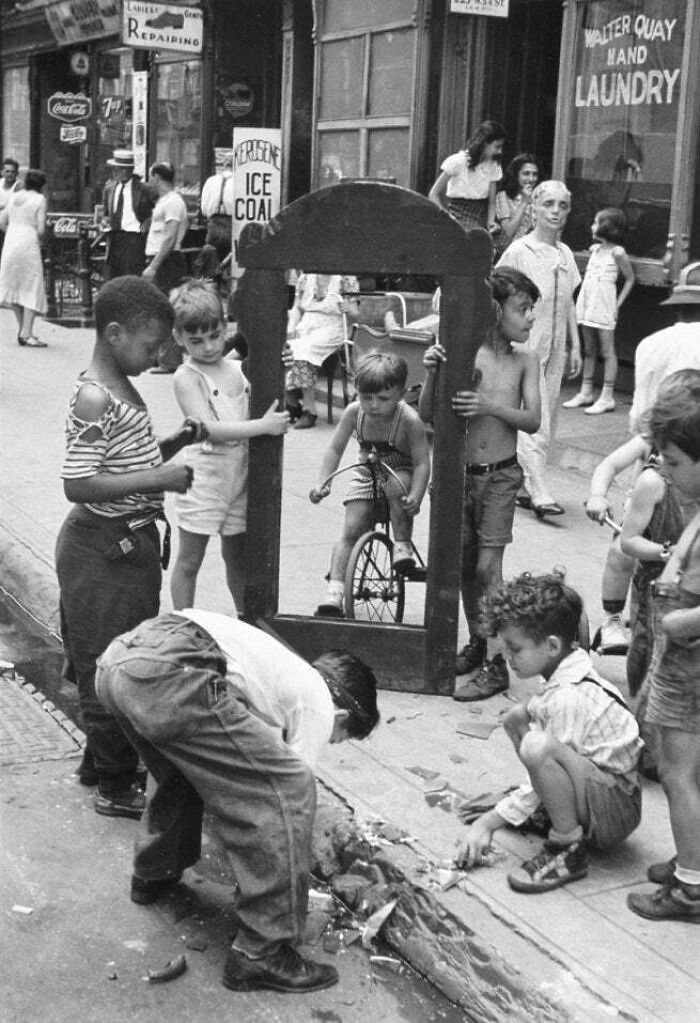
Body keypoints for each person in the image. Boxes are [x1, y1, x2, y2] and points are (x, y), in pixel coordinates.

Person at [94, 608, 380, 992]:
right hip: (172, 672)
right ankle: (261, 954)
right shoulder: (319, 703)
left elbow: (239, 763)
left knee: (183, 767)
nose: (331, 740)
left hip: (121, 662)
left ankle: (154, 873)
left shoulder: (272, 668)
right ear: (342, 713)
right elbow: (288, 790)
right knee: (291, 786)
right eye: (339, 736)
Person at [55, 276, 204, 820]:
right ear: (114, 334)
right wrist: (163, 478)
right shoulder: (96, 396)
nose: (157, 356)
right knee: (108, 664)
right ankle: (116, 784)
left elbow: (123, 464)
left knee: (111, 654)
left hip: (124, 546)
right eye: (150, 346)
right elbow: (79, 483)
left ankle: (101, 762)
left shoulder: (118, 388)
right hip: (102, 549)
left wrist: (174, 445)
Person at [456, 573, 642, 893]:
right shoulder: (564, 672)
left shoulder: (568, 696)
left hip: (615, 812)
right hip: (596, 789)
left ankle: (566, 847)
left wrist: (489, 822)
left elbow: (544, 756)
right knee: (516, 717)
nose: (506, 657)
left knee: (536, 746)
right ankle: (551, 812)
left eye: (515, 649)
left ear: (552, 646)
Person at [419, 268, 541, 700]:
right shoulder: (463, 354)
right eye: (522, 309)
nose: (529, 319)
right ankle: (478, 639)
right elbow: (428, 414)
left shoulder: (525, 361)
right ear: (494, 311)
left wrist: (490, 406)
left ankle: (497, 663)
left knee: (489, 568)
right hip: (459, 476)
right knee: (465, 567)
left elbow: (533, 419)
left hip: (501, 476)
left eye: (531, 310)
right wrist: (432, 371)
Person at [585, 262, 700, 655]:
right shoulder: (661, 453)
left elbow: (637, 418)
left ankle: (614, 621)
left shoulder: (650, 343)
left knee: (623, 550)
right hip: (665, 459)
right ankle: (618, 620)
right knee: (627, 545)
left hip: (660, 454)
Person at [627, 370, 700, 923]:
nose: (667, 474)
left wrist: (678, 624)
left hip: (690, 659)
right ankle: (692, 861)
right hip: (678, 656)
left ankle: (692, 889)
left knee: (677, 774)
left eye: (674, 463)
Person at [169, 280, 290, 613]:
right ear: (179, 337)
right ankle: (182, 620)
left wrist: (282, 360)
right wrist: (262, 427)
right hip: (204, 479)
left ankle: (245, 618)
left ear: (226, 328)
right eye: (196, 340)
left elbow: (267, 380)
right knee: (190, 559)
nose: (208, 347)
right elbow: (206, 429)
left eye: (215, 336)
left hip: (239, 478)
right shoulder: (186, 376)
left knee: (237, 557)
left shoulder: (237, 369)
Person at [310, 350, 431, 617]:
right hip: (368, 471)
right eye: (366, 397)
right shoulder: (355, 413)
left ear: (399, 394)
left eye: (382, 398)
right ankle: (335, 592)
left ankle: (402, 546)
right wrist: (323, 483)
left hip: (400, 469)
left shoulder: (409, 420)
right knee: (352, 527)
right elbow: (334, 448)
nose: (373, 405)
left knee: (398, 487)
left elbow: (422, 462)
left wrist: (417, 496)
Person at [497, 180, 582, 517]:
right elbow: (500, 292)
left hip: (556, 346)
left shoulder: (565, 254)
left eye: (562, 205)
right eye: (549, 204)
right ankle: (539, 489)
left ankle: (521, 482)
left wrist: (575, 345)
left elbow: (569, 302)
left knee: (549, 412)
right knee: (536, 412)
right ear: (533, 208)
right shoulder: (521, 251)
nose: (556, 212)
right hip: (529, 343)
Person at [619, 445, 692, 779]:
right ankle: (647, 749)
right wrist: (669, 553)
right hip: (656, 584)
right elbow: (629, 541)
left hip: (690, 589)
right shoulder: (654, 481)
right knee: (648, 658)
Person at [564, 207, 635, 415]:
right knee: (589, 349)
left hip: (604, 305)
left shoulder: (618, 253)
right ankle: (586, 391)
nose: (592, 226)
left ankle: (607, 397)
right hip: (589, 302)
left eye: (596, 222)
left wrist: (617, 304)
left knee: (607, 350)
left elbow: (630, 279)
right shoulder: (595, 250)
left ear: (607, 227)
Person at [284, 272, 359, 429]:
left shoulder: (346, 279)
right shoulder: (306, 277)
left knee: (304, 350)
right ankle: (291, 402)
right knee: (284, 348)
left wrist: (348, 309)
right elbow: (297, 307)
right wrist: (290, 327)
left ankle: (309, 409)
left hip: (334, 327)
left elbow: (355, 314)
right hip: (307, 325)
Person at [143, 161, 189, 373]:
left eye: (151, 178)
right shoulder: (166, 201)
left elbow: (170, 237)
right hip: (161, 259)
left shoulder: (173, 202)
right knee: (157, 308)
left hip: (167, 261)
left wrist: (154, 265)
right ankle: (160, 355)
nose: (149, 183)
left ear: (157, 178)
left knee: (165, 309)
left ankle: (169, 360)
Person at [428, 120, 505, 233]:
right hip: (459, 214)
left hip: (481, 214)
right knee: (474, 239)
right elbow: (433, 194)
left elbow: (492, 201)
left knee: (503, 239)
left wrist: (491, 222)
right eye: (497, 146)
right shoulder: (459, 161)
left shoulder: (494, 165)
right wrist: (446, 218)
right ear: (484, 143)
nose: (500, 151)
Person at [0, 167, 47, 347]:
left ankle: (23, 331)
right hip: (28, 243)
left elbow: (2, 222)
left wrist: (14, 229)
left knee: (14, 287)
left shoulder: (13, 197)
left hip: (11, 241)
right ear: (41, 185)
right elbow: (41, 229)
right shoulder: (39, 199)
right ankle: (27, 333)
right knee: (32, 286)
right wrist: (34, 232)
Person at [102, 149, 153, 280]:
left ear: (132, 170)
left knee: (132, 276)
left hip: (134, 238)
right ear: (114, 169)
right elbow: (106, 213)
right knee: (114, 277)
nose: (124, 172)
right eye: (120, 169)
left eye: (127, 169)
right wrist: (104, 221)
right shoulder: (109, 188)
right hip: (115, 238)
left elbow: (160, 206)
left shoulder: (143, 188)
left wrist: (149, 221)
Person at [196, 153, 233, 287]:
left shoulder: (211, 181)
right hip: (232, 225)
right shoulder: (240, 182)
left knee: (210, 259)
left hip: (214, 225)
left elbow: (204, 209)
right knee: (230, 261)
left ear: (223, 164)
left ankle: (210, 289)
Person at [493, 153, 540, 257]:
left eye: (534, 174)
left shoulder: (539, 198)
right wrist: (524, 202)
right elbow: (507, 234)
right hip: (511, 255)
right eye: (526, 174)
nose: (531, 179)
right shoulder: (503, 196)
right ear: (516, 174)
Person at [0, 156, 23, 260]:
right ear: (2, 172)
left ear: (17, 173)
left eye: (12, 172)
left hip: (11, 226)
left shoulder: (19, 186)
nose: (9, 174)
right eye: (7, 171)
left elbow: (15, 206)